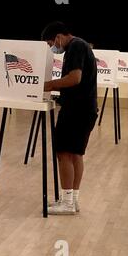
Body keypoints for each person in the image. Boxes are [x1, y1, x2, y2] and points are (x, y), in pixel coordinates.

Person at [42, 21, 98, 215]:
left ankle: (66, 203)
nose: (52, 48)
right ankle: (72, 200)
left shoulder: (75, 46)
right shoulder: (81, 45)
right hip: (85, 109)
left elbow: (75, 78)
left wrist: (47, 85)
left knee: (64, 153)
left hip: (76, 111)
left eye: (51, 44)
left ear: (58, 37)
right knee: (76, 154)